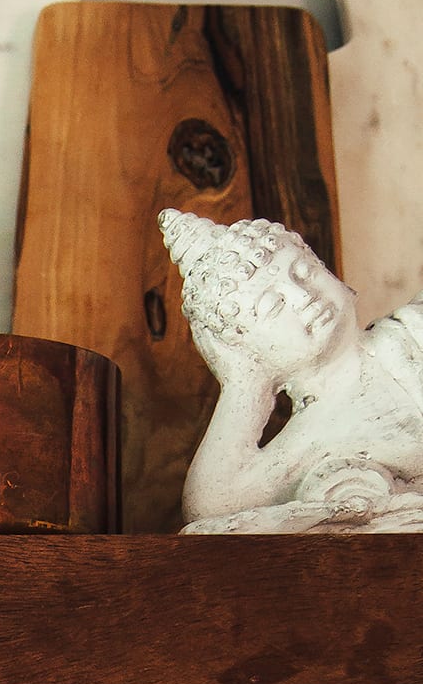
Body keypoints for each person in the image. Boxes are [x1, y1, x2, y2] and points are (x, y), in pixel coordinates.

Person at [163, 208, 423, 530]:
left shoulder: (412, 330)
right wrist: (242, 382)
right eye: (273, 306)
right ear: (245, 347)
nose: (304, 297)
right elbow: (210, 509)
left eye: (304, 271)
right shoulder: (306, 442)